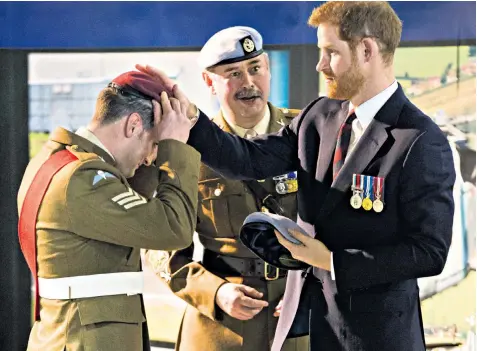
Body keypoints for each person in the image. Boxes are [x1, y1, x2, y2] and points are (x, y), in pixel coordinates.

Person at [136, 2, 456, 350]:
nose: (320, 65)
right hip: (308, 331)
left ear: (367, 50)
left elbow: (429, 252)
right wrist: (189, 116)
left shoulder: (421, 142)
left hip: (374, 336)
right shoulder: (319, 117)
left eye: (330, 52)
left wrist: (330, 260)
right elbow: (249, 159)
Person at [144, 26, 309, 351]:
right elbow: (160, 245)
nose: (248, 82)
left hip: (298, 316)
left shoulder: (308, 134)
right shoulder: (187, 147)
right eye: (233, 73)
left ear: (268, 69)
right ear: (209, 82)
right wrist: (214, 292)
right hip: (221, 325)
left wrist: (316, 289)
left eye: (255, 69)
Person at [17, 70, 200, 351]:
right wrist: (174, 149)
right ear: (133, 125)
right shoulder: (83, 177)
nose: (152, 157)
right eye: (154, 146)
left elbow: (134, 203)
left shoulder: (60, 161)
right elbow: (174, 229)